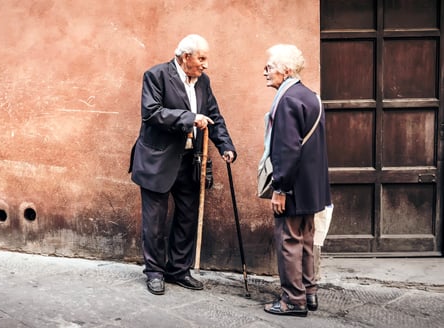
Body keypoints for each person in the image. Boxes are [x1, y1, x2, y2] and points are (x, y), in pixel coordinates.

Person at [129, 34, 237, 295]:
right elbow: (152, 113)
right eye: (201, 58)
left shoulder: (203, 82)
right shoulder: (156, 75)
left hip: (190, 161)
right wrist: (190, 118)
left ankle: (178, 269)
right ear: (185, 56)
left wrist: (226, 146)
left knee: (188, 217)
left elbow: (213, 116)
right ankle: (154, 272)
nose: (205, 64)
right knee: (154, 222)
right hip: (158, 160)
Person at [260, 44, 331, 316]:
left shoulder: (287, 99)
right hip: (311, 187)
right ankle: (309, 292)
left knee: (289, 240)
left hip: (293, 186)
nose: (265, 72)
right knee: (306, 239)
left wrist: (281, 188)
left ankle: (293, 300)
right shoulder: (310, 96)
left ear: (286, 70)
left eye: (270, 67)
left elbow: (287, 149)